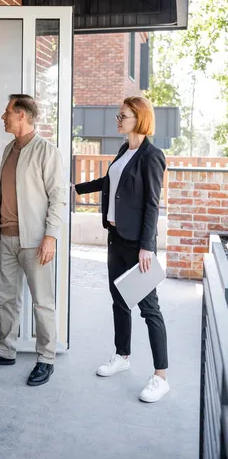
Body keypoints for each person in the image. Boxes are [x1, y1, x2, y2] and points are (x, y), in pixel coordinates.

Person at [75, 96, 169, 403]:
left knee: (149, 308)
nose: (118, 119)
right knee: (119, 301)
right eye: (118, 115)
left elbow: (152, 204)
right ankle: (122, 355)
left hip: (136, 244)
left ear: (139, 118)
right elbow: (108, 181)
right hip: (115, 237)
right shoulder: (123, 151)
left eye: (123, 116)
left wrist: (147, 247)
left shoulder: (151, 156)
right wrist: (76, 188)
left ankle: (160, 376)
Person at [0, 94, 66, 387]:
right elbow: (3, 190)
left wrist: (51, 236)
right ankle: (5, 350)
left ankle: (46, 359)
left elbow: (58, 197)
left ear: (21, 115)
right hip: (6, 237)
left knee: (42, 303)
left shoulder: (46, 151)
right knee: (7, 299)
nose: (3, 117)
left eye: (7, 112)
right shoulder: (8, 149)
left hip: (34, 241)